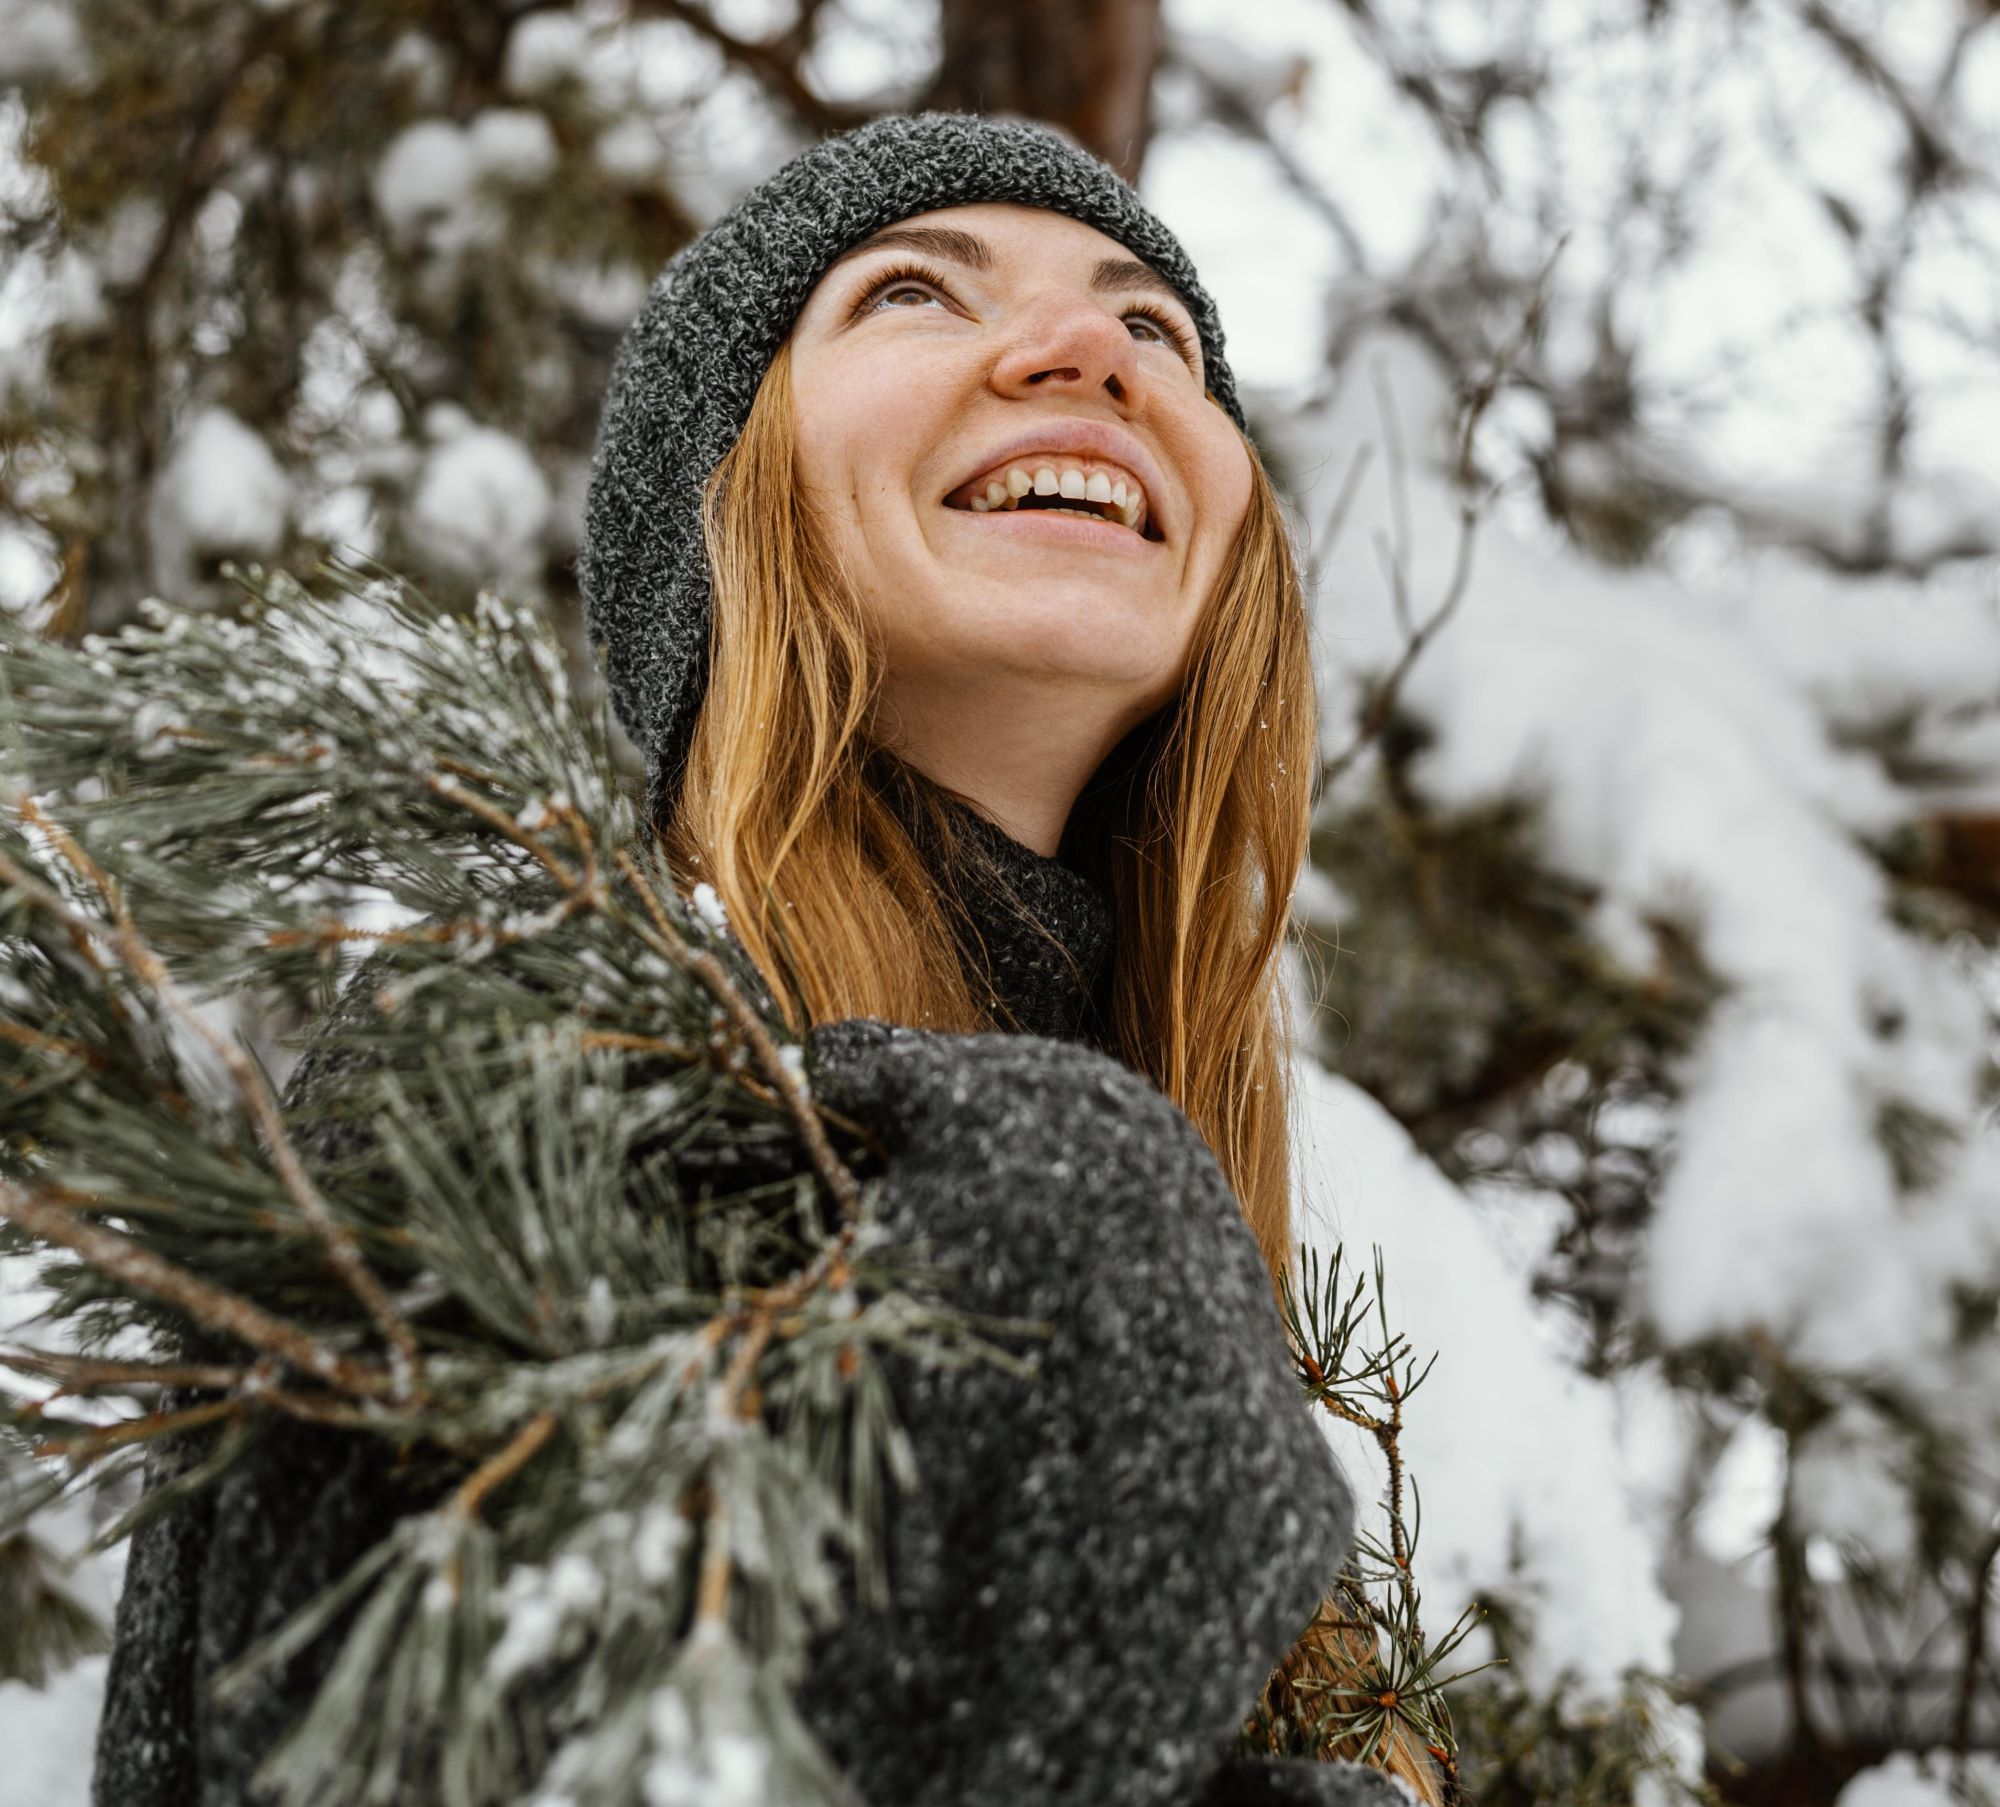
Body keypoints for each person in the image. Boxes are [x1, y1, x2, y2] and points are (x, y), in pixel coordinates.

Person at [92, 111, 1442, 1807]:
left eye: (1155, 328)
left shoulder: (1144, 1159)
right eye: (913, 296)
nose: (1094, 349)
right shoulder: (519, 1044)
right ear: (729, 493)